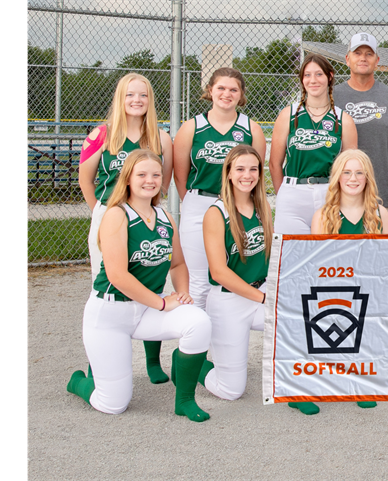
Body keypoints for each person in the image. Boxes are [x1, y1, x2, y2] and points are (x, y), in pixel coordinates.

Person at [66, 149, 213, 422]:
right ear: (128, 179)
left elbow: (179, 264)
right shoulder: (116, 215)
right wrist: (161, 303)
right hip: (110, 315)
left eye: (156, 174)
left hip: (145, 311)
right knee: (112, 404)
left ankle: (184, 400)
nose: (150, 180)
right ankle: (79, 382)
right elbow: (117, 276)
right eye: (142, 174)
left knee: (199, 322)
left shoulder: (166, 218)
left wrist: (182, 293)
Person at [78, 73, 173, 385]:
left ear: (150, 101)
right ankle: (97, 362)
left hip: (147, 215)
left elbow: (164, 179)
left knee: (153, 278)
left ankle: (152, 360)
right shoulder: (102, 135)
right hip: (111, 214)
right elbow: (85, 180)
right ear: (120, 98)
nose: (137, 100)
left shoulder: (160, 137)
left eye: (143, 95)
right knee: (103, 287)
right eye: (130, 95)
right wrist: (103, 215)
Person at [300, 150, 388, 415]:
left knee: (370, 314)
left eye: (359, 173)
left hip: (367, 288)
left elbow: (385, 263)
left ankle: (358, 381)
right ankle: (303, 388)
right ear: (337, 178)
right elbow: (318, 266)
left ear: (367, 178)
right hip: (333, 288)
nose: (353, 178)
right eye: (347, 172)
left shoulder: (378, 213)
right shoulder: (324, 215)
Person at [172, 67, 266, 313]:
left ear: (241, 94)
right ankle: (197, 345)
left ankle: (227, 334)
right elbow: (180, 176)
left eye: (233, 89)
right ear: (210, 90)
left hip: (238, 207)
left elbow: (257, 174)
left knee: (230, 275)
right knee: (199, 282)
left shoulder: (251, 129)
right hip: (200, 203)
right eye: (221, 88)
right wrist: (200, 204)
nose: (227, 94)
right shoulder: (191, 127)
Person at [200, 144, 272, 402]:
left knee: (297, 318)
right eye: (240, 169)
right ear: (228, 173)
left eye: (254, 169)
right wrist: (263, 298)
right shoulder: (215, 213)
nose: (247, 175)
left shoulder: (262, 207)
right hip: (229, 300)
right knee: (231, 391)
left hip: (258, 291)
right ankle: (197, 367)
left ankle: (294, 386)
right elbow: (219, 272)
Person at [270, 53, 358, 235]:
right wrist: (285, 194)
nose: (313, 80)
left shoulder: (343, 120)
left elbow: (352, 168)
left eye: (319, 74)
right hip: (294, 192)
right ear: (302, 80)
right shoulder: (289, 115)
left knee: (327, 256)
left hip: (329, 193)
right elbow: (274, 164)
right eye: (307, 75)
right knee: (292, 256)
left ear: (330, 76)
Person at [333, 32, 388, 233]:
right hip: (340, 196)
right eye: (357, 52)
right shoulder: (332, 96)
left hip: (381, 194)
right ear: (347, 59)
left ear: (377, 61)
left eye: (369, 54)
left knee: (385, 259)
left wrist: (381, 166)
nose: (363, 58)